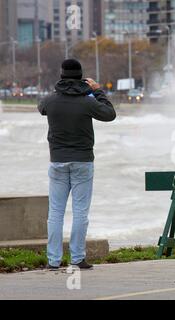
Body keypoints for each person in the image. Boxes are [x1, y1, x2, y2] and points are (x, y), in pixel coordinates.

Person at [38, 59, 116, 270]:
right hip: (82, 161)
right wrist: (97, 90)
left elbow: (41, 107)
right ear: (82, 78)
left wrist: (59, 89)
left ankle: (53, 261)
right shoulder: (87, 101)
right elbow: (110, 114)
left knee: (55, 212)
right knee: (80, 212)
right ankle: (77, 258)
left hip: (57, 162)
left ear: (62, 77)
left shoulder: (51, 100)